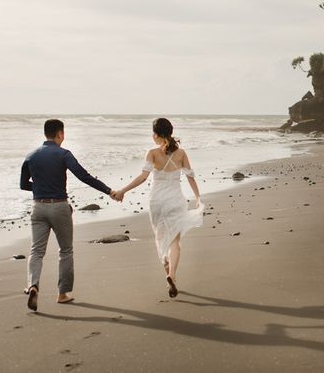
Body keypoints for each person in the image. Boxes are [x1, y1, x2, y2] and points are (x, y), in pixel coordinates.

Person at [20, 119, 118, 311]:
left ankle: (33, 285)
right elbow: (83, 176)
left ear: (45, 134)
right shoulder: (63, 154)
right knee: (65, 250)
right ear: (60, 134)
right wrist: (108, 191)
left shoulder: (31, 156)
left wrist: (40, 188)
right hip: (59, 207)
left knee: (36, 251)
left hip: (38, 208)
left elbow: (23, 185)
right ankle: (62, 294)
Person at [113, 118, 203, 298]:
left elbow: (143, 177)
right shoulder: (181, 153)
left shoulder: (152, 153)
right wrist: (198, 197)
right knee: (175, 242)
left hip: (157, 201)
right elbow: (190, 176)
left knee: (160, 237)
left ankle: (167, 273)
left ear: (156, 134)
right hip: (176, 200)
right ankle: (173, 276)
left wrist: (122, 190)